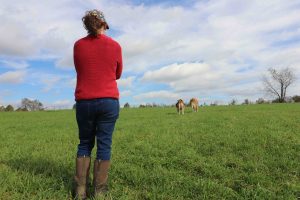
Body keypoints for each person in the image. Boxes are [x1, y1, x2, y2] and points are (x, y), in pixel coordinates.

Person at [73, 9, 123, 199]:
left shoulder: (78, 45)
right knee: (104, 145)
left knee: (84, 143)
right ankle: (100, 192)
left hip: (84, 101)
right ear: (103, 25)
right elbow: (117, 74)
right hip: (108, 101)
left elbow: (80, 69)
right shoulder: (115, 45)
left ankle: (80, 190)